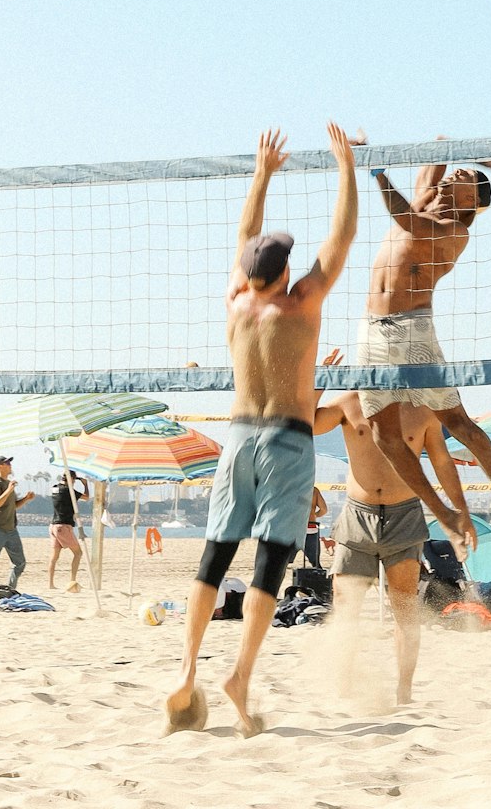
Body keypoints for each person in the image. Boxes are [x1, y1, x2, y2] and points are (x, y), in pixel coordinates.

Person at [164, 124, 358, 737]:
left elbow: (246, 238)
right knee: (272, 562)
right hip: (287, 444)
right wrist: (346, 166)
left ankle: (187, 670)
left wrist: (263, 172)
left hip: (237, 441)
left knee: (214, 559)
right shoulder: (301, 302)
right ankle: (240, 675)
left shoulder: (236, 301)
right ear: (282, 274)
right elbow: (343, 236)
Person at [360, 146, 491, 557]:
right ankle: (443, 513)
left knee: (458, 423)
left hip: (411, 329)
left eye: (464, 177)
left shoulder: (454, 231)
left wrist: (378, 173)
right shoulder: (429, 195)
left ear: (472, 201)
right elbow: (442, 143)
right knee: (383, 435)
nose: (454, 172)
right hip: (370, 328)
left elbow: (405, 221)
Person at [313, 389, 475, 705]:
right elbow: (307, 423)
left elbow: (441, 461)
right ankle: (344, 686)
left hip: (405, 514)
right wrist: (318, 384)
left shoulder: (422, 408)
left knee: (404, 610)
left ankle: (404, 691)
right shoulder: (350, 402)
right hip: (358, 514)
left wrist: (460, 512)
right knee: (346, 609)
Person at [0, 457, 34, 590]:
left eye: (10, 463)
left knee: (20, 563)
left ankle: (10, 590)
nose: (10, 465)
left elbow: (13, 505)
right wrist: (8, 490)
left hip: (11, 531)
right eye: (7, 463)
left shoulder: (9, 483)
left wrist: (26, 499)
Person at [48, 468, 89, 591]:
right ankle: (72, 580)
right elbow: (86, 497)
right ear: (72, 479)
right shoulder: (69, 491)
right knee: (78, 553)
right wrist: (85, 485)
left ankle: (50, 584)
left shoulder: (54, 488)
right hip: (64, 526)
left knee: (54, 557)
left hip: (53, 525)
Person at [303, 487, 328, 568]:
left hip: (292, 526)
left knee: (281, 560)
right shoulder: (314, 490)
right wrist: (314, 515)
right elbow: (324, 509)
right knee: (315, 562)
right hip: (310, 525)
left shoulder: (289, 488)